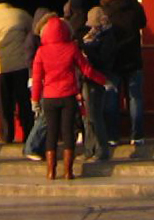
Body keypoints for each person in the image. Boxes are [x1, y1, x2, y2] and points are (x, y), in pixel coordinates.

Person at [30, 15, 107, 181]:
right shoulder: (71, 48)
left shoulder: (41, 52)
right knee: (67, 133)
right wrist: (104, 81)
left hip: (50, 96)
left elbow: (37, 79)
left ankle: (51, 171)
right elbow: (86, 70)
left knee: (51, 133)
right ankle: (68, 171)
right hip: (68, 95)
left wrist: (35, 99)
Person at [99, 0, 149, 146]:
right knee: (135, 98)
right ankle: (137, 135)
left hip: (113, 58)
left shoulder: (105, 8)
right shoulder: (135, 6)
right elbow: (143, 23)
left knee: (112, 97)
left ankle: (113, 136)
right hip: (133, 56)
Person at [0, 0, 34, 145]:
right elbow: (32, 32)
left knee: (5, 103)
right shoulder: (21, 14)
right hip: (21, 64)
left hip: (1, 66)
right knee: (23, 101)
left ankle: (6, 135)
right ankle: (28, 133)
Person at [20, 8, 56, 160]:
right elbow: (30, 62)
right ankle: (31, 146)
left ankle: (40, 147)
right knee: (43, 116)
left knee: (44, 115)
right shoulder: (33, 39)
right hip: (37, 81)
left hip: (44, 80)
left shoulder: (40, 38)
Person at [78, 6, 114, 162]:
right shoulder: (91, 36)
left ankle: (101, 150)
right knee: (88, 117)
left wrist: (88, 50)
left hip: (98, 79)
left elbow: (104, 60)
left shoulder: (108, 37)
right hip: (88, 78)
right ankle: (89, 149)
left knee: (95, 115)